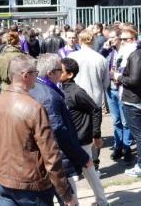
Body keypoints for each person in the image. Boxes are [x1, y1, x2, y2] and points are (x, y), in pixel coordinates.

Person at [0, 55, 77, 206]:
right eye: (35, 73)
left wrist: (1, 166)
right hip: (32, 187)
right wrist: (65, 193)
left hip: (4, 181)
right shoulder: (34, 108)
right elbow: (51, 155)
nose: (37, 76)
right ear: (25, 75)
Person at [30, 54, 98, 205]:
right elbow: (57, 130)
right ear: (50, 73)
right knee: (68, 199)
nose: (62, 73)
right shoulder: (48, 95)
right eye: (59, 70)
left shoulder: (38, 87)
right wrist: (82, 156)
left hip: (44, 156)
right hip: (55, 156)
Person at [112, 26, 141, 178]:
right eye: (121, 39)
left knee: (140, 135)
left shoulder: (136, 55)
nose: (122, 42)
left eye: (124, 39)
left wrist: (118, 77)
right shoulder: (135, 53)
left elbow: (134, 80)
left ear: (132, 40)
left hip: (135, 100)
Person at [60, 57, 109, 206]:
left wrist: (96, 134)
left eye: (60, 70)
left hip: (80, 138)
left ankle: (100, 201)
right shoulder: (62, 89)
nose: (56, 72)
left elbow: (95, 109)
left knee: (78, 171)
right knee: (77, 172)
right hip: (72, 138)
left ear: (69, 74)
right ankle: (97, 201)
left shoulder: (77, 92)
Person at [70, 29, 111, 170]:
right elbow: (106, 83)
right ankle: (94, 163)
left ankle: (78, 163)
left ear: (79, 40)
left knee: (75, 132)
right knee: (95, 133)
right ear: (93, 41)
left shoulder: (72, 56)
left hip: (75, 101)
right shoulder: (101, 59)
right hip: (95, 100)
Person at [104, 27, 133, 162]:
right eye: (109, 37)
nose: (110, 40)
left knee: (125, 121)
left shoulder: (126, 52)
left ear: (120, 38)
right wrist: (104, 49)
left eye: (113, 37)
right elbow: (101, 61)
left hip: (122, 89)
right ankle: (118, 147)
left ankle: (127, 148)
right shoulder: (110, 52)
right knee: (116, 120)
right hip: (111, 89)